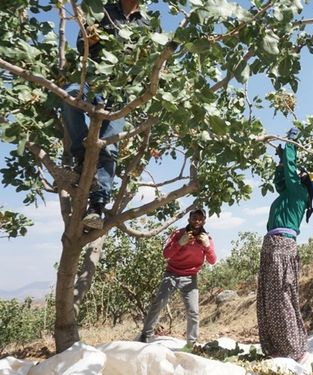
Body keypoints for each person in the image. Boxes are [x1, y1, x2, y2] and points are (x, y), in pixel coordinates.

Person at [59, 0, 150, 229]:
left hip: (120, 89)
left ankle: (97, 206)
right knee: (70, 97)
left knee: (109, 145)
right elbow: (82, 45)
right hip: (92, 78)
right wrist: (89, 38)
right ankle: (81, 158)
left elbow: (148, 61)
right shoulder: (101, 10)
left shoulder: (146, 23)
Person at [256, 127, 313, 362]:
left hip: (280, 247)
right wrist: (281, 162)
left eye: (300, 176)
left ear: (304, 183)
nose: (296, 177)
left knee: (280, 298)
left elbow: (291, 173)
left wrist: (290, 146)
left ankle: (294, 349)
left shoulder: (299, 193)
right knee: (269, 297)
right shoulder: (289, 194)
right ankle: (277, 346)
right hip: (273, 246)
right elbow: (281, 180)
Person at [138, 208, 217, 346]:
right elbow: (166, 254)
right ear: (189, 220)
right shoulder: (178, 234)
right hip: (172, 274)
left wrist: (207, 246)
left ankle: (191, 344)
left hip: (190, 278)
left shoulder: (207, 238)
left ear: (204, 221)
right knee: (158, 303)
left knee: (193, 311)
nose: (197, 221)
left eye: (200, 219)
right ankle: (145, 336)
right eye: (194, 218)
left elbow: (212, 260)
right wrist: (180, 242)